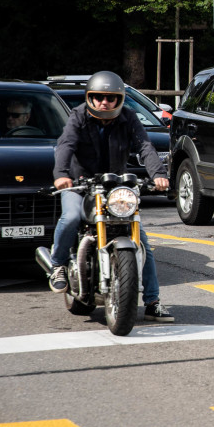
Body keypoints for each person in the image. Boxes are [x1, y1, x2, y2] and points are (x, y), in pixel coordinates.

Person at [48, 71, 173, 322]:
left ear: (120, 99)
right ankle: (58, 265)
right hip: (80, 184)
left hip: (113, 186)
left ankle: (152, 301)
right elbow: (66, 145)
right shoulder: (78, 116)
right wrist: (62, 174)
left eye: (111, 98)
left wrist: (158, 174)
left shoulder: (128, 119)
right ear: (90, 98)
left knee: (141, 241)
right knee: (71, 217)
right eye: (98, 97)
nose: (104, 102)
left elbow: (145, 147)